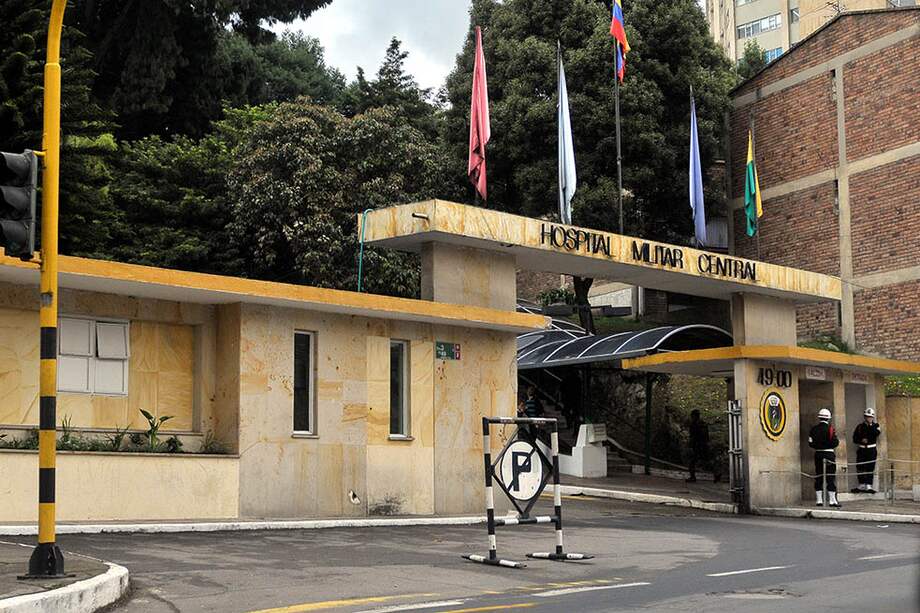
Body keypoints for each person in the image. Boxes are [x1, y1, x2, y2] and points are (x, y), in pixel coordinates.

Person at [808, 408, 840, 507]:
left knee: (819, 476)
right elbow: (835, 442)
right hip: (829, 454)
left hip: (818, 454)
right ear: (829, 418)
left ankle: (819, 500)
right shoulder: (830, 429)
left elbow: (810, 443)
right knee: (830, 476)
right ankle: (832, 500)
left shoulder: (813, 429)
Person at [851, 407, 881, 494]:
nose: (868, 418)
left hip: (871, 450)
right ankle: (861, 484)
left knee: (870, 467)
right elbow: (855, 438)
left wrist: (870, 425)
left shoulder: (876, 426)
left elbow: (876, 433)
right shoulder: (860, 427)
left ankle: (868, 485)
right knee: (860, 467)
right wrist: (861, 440)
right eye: (867, 417)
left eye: (870, 417)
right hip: (862, 449)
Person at [686, 410, 710, 483]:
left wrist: (690, 444)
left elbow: (692, 436)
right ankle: (717, 473)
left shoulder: (694, 424)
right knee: (706, 459)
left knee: (692, 462)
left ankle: (692, 477)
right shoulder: (703, 424)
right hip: (703, 444)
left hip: (696, 445)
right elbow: (706, 435)